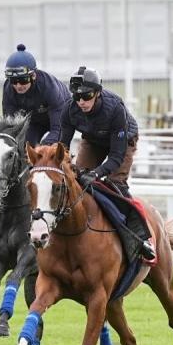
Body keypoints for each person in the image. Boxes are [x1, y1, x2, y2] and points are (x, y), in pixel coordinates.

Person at [58, 66, 155, 261]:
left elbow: (117, 156)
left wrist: (96, 173)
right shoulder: (69, 109)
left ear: (98, 93)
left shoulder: (115, 108)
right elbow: (62, 147)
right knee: (77, 179)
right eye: (77, 97)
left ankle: (139, 238)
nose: (82, 102)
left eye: (87, 96)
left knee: (114, 184)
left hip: (123, 141)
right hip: (93, 140)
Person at [2, 43, 69, 146]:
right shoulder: (8, 89)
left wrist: (46, 145)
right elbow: (11, 129)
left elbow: (57, 128)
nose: (18, 86)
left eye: (23, 80)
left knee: (49, 151)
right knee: (24, 146)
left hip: (61, 115)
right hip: (35, 120)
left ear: (33, 76)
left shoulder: (49, 87)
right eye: (14, 81)